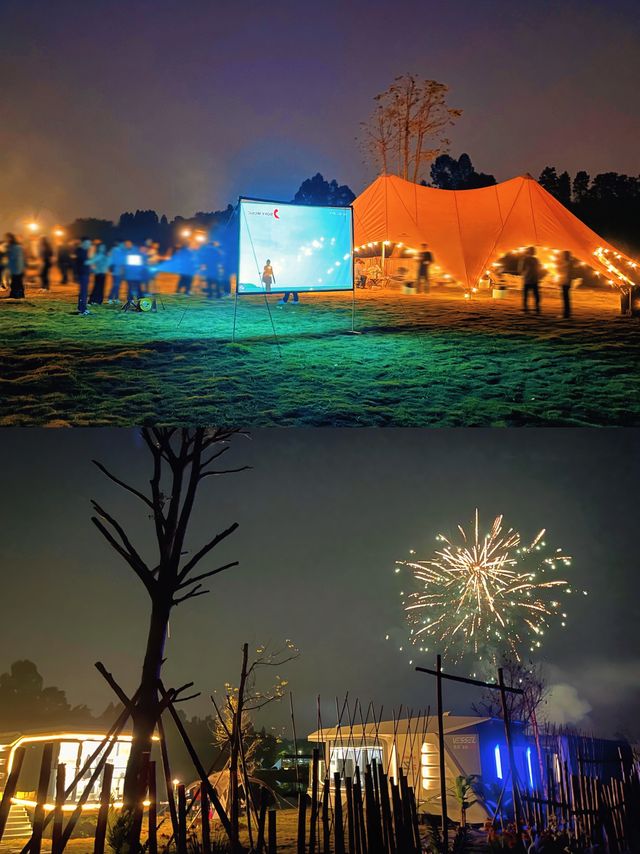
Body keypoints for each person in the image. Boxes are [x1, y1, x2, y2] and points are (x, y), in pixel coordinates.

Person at [519, 246, 541, 314]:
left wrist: (524, 273)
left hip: (527, 279)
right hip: (534, 279)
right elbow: (539, 269)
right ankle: (537, 308)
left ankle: (526, 308)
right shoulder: (536, 260)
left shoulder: (525, 259)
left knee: (526, 295)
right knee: (536, 294)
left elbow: (520, 269)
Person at [74, 236, 92, 315]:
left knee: (84, 292)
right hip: (82, 274)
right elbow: (85, 262)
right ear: (83, 243)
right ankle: (82, 309)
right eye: (88, 243)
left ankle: (82, 307)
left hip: (85, 273)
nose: (89, 245)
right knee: (83, 292)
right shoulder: (80, 251)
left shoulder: (84, 250)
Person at [5, 233, 25, 298]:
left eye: (7, 238)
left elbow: (14, 257)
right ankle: (18, 294)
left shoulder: (14, 247)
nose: (6, 239)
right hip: (16, 267)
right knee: (17, 281)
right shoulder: (16, 246)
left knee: (16, 281)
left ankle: (16, 294)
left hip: (16, 267)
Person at [557, 250, 574, 319]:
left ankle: (566, 314)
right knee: (566, 297)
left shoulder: (568, 263)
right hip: (566, 281)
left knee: (565, 298)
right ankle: (567, 313)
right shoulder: (569, 263)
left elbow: (561, 270)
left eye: (563, 255)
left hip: (565, 282)